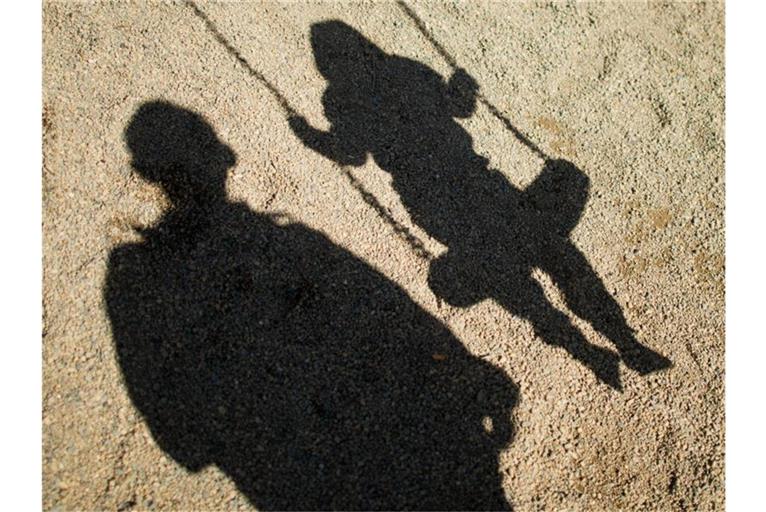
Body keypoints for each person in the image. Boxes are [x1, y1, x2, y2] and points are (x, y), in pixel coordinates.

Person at [105, 100, 518, 509]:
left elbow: (184, 444)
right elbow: (397, 307)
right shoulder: (293, 242)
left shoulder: (133, 280)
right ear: (224, 157)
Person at [289, 21, 671, 390]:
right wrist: (462, 89)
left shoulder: (339, 98)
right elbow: (461, 108)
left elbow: (353, 155)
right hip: (483, 184)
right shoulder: (408, 69)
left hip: (435, 203)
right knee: (556, 254)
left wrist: (312, 138)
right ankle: (624, 342)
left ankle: (590, 349)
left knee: (513, 279)